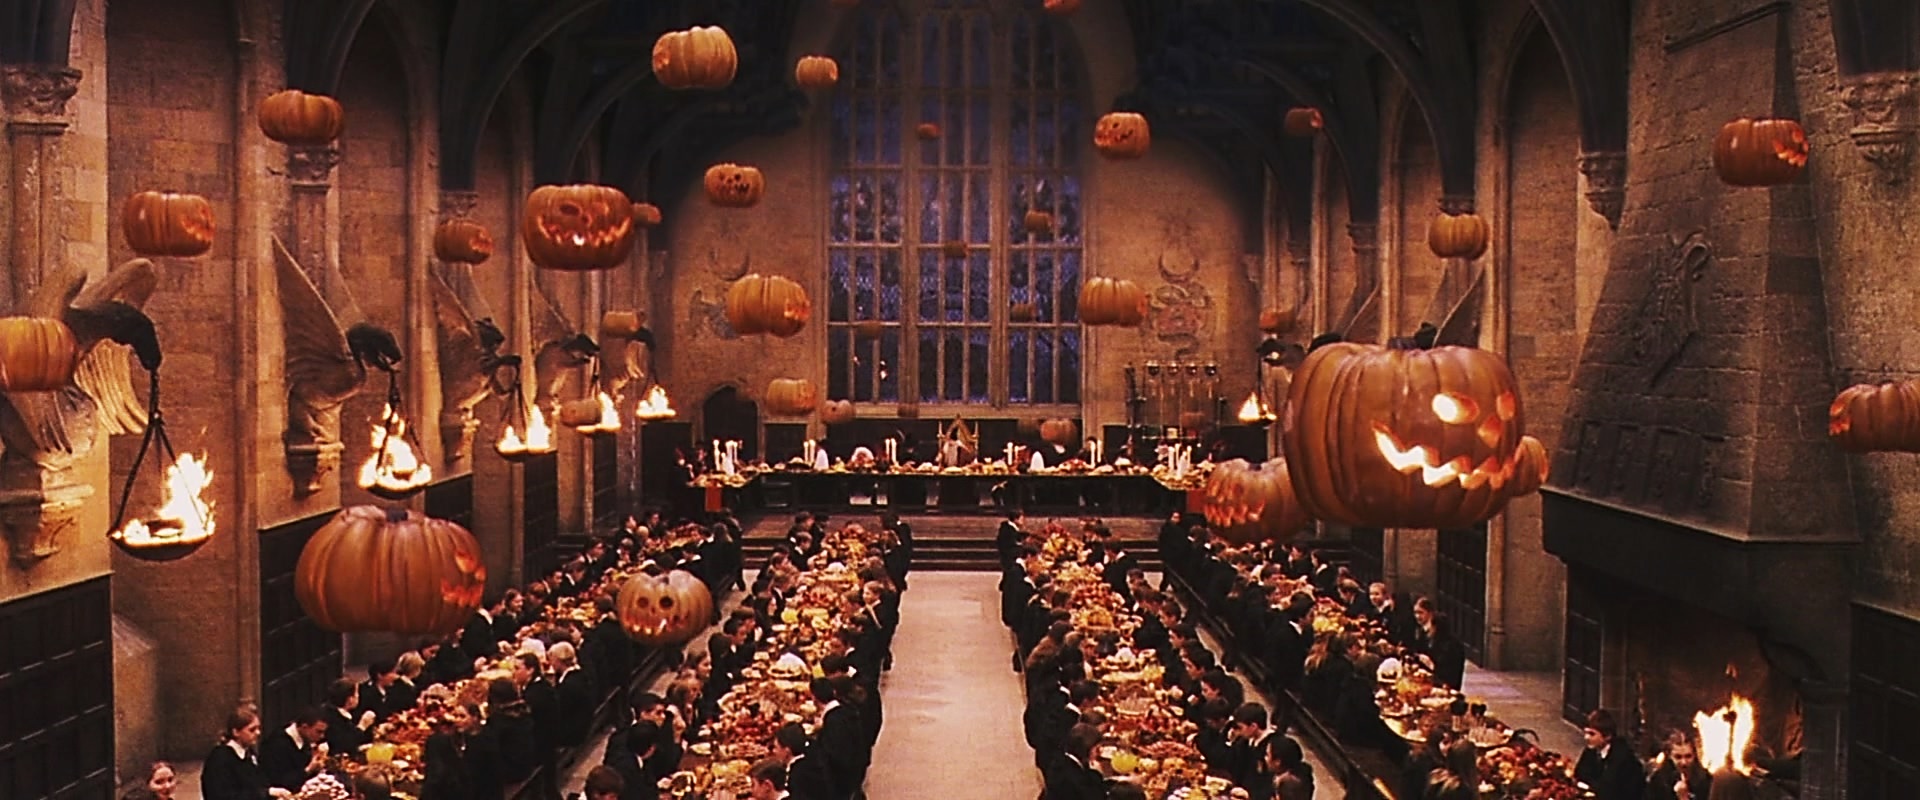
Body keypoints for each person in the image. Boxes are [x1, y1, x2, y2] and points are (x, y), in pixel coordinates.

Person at [201, 707, 291, 800]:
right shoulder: (220, 759)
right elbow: (224, 795)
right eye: (252, 730)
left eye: (258, 728)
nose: (258, 733)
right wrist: (267, 793)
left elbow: (260, 784)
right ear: (236, 732)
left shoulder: (249, 754)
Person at [1575, 710, 1646, 800]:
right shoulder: (1591, 750)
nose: (1586, 737)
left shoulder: (1622, 758)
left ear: (1607, 736)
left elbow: (1609, 788)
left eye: (1592, 734)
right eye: (1585, 733)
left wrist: (1591, 785)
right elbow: (1580, 773)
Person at [257, 707, 329, 791]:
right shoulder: (276, 744)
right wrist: (309, 769)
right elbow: (280, 781)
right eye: (319, 732)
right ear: (304, 727)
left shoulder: (306, 742)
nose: (322, 736)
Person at [1645, 730, 1712, 800]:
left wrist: (1683, 797)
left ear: (1694, 755)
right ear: (1670, 756)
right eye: (1678, 757)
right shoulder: (1659, 781)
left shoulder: (1706, 780)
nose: (1684, 762)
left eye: (1688, 756)